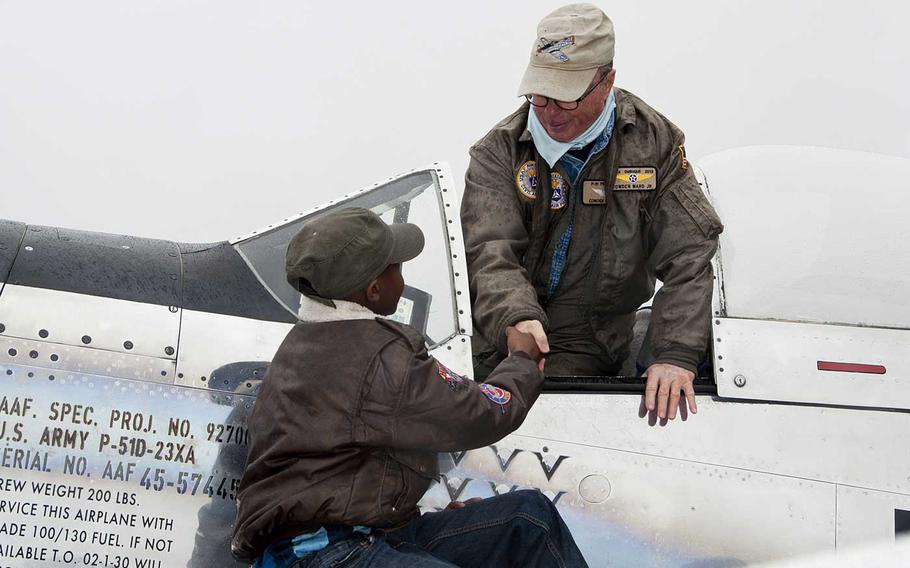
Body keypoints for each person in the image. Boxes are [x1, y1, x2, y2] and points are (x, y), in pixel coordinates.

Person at [231, 207, 588, 567]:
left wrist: (411, 518)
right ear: (373, 290)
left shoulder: (307, 342)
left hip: (373, 534)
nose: (403, 280)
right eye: (396, 269)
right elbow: (479, 414)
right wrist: (521, 361)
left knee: (529, 519)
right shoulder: (376, 351)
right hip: (324, 553)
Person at [461, 3, 723, 421]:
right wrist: (517, 317)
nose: (548, 112)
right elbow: (490, 252)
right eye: (539, 95)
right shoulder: (498, 153)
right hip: (510, 341)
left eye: (565, 99)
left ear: (608, 82)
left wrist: (674, 353)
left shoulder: (654, 144)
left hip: (600, 339)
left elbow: (689, 253)